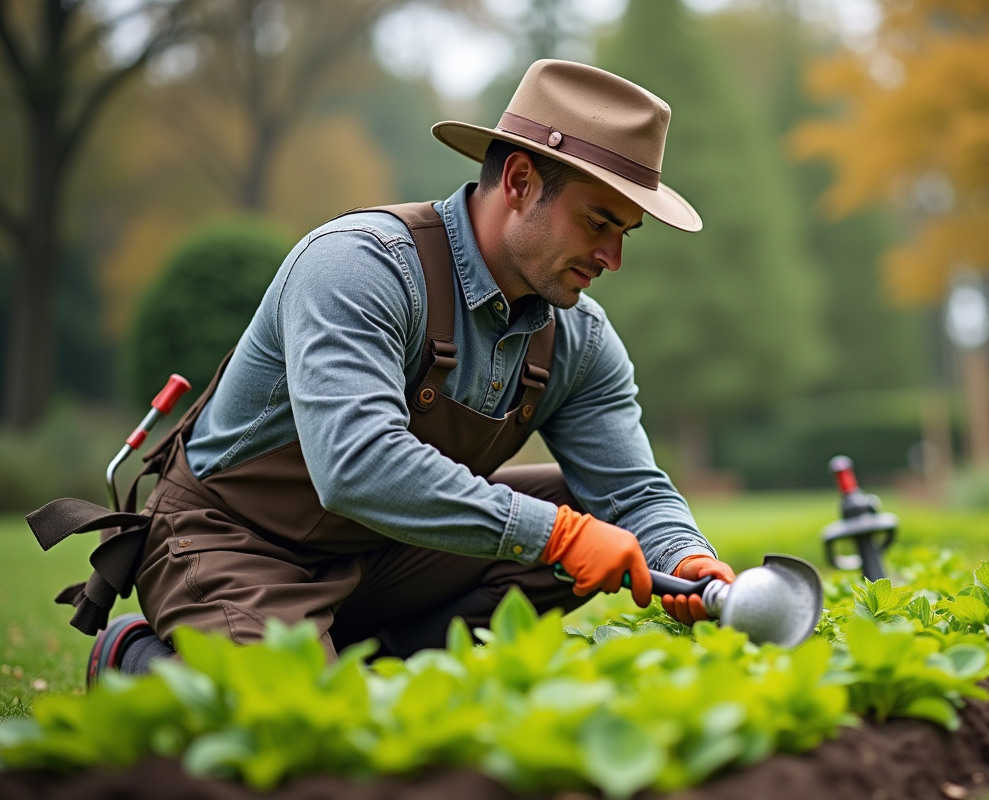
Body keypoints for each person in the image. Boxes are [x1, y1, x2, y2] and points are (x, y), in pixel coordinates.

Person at [32, 59, 736, 682]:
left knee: (590, 511)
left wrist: (685, 553)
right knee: (306, 734)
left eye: (625, 233)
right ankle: (137, 659)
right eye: (599, 222)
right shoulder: (362, 266)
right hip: (235, 542)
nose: (613, 257)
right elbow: (356, 465)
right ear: (521, 180)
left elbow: (632, 489)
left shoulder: (578, 339)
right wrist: (553, 536)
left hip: (387, 551)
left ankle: (377, 667)